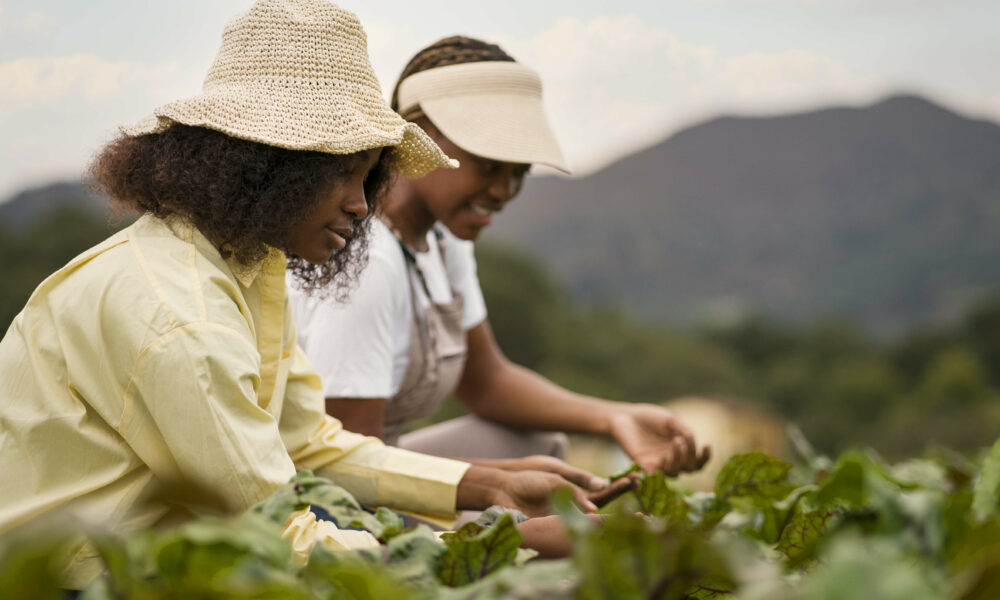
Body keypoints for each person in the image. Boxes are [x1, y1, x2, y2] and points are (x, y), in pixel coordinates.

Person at [0, 3, 606, 589]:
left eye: (367, 174)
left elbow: (307, 444)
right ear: (264, 165)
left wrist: (484, 487)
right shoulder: (179, 317)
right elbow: (281, 538)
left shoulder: (245, 267)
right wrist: (504, 545)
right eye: (340, 172)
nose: (361, 203)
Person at [290, 37, 711, 484]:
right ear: (423, 134)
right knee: (538, 487)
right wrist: (504, 480)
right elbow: (346, 472)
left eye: (519, 173)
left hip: (373, 468)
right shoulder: (369, 262)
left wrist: (615, 419)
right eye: (490, 166)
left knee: (538, 442)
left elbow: (485, 381)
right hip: (320, 494)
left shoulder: (443, 242)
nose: (505, 192)